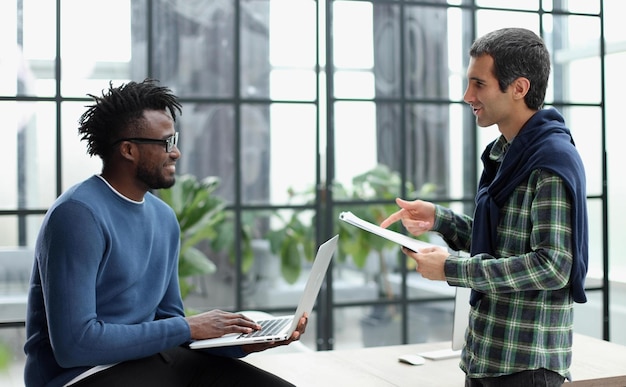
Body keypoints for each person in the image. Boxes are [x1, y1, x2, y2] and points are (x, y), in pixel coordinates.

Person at [24, 79, 307, 387]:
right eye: (165, 142)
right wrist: (188, 327)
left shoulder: (163, 217)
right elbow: (75, 345)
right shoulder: (77, 215)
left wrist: (244, 342)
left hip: (151, 359)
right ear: (129, 150)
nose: (176, 153)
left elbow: (170, 323)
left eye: (175, 139)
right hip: (81, 375)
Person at [380, 28, 588, 386]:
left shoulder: (551, 161)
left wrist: (451, 269)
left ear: (519, 88)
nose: (467, 96)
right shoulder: (504, 153)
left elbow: (553, 267)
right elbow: (499, 243)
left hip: (526, 367)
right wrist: (439, 219)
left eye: (479, 84)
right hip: (485, 356)